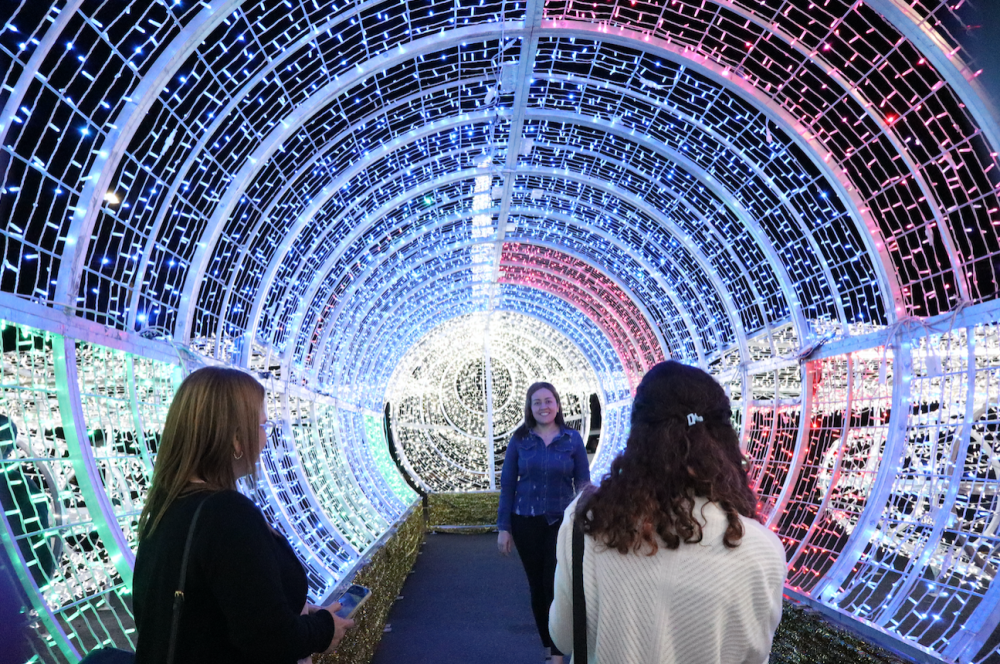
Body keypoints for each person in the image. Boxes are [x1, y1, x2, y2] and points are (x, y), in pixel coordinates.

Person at [549, 361, 787, 664]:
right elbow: (754, 656)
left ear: (637, 436)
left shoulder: (586, 521)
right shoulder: (761, 548)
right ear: (724, 437)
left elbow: (563, 635)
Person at [133, 367, 354, 664]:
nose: (265, 441)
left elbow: (216, 610)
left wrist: (296, 612)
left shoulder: (166, 508)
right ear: (237, 440)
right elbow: (269, 638)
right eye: (262, 427)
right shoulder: (226, 514)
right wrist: (324, 630)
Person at [497, 382, 590, 664]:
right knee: (538, 587)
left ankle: (559, 651)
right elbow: (507, 484)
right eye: (536, 402)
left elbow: (584, 484)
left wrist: (587, 521)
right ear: (530, 407)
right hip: (525, 521)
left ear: (557, 405)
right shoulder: (520, 439)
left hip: (562, 524)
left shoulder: (572, 440)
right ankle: (549, 648)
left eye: (548, 401)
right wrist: (504, 527)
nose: (543, 407)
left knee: (556, 584)